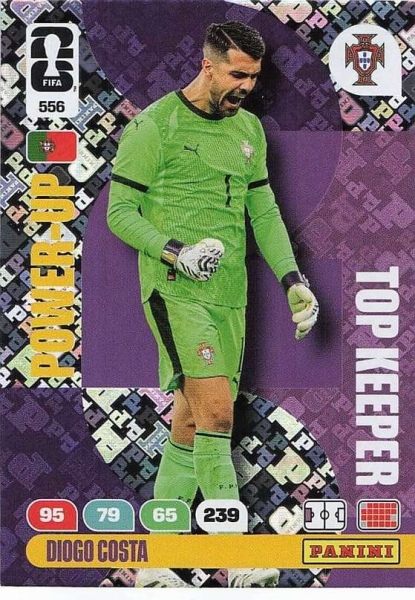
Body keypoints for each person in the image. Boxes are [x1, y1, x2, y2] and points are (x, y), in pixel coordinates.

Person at [107, 20, 319, 588]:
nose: (246, 86)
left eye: (253, 77)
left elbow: (264, 212)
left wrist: (292, 279)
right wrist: (174, 252)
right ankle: (236, 557)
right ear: (208, 66)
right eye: (237, 74)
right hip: (175, 291)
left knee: (190, 422)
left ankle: (154, 563)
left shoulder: (249, 130)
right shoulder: (155, 126)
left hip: (231, 297)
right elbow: (119, 214)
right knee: (219, 415)